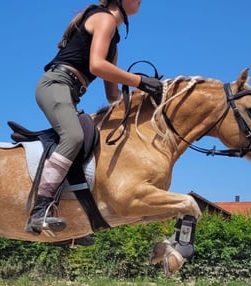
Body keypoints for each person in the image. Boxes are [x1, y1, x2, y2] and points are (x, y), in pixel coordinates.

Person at [26, 0, 163, 235]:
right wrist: (140, 81)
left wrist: (144, 99)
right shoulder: (105, 19)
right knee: (74, 136)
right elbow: (97, 65)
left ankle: (75, 215)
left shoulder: (114, 41)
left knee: (91, 139)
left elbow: (113, 95)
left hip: (69, 91)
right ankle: (40, 210)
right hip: (56, 84)